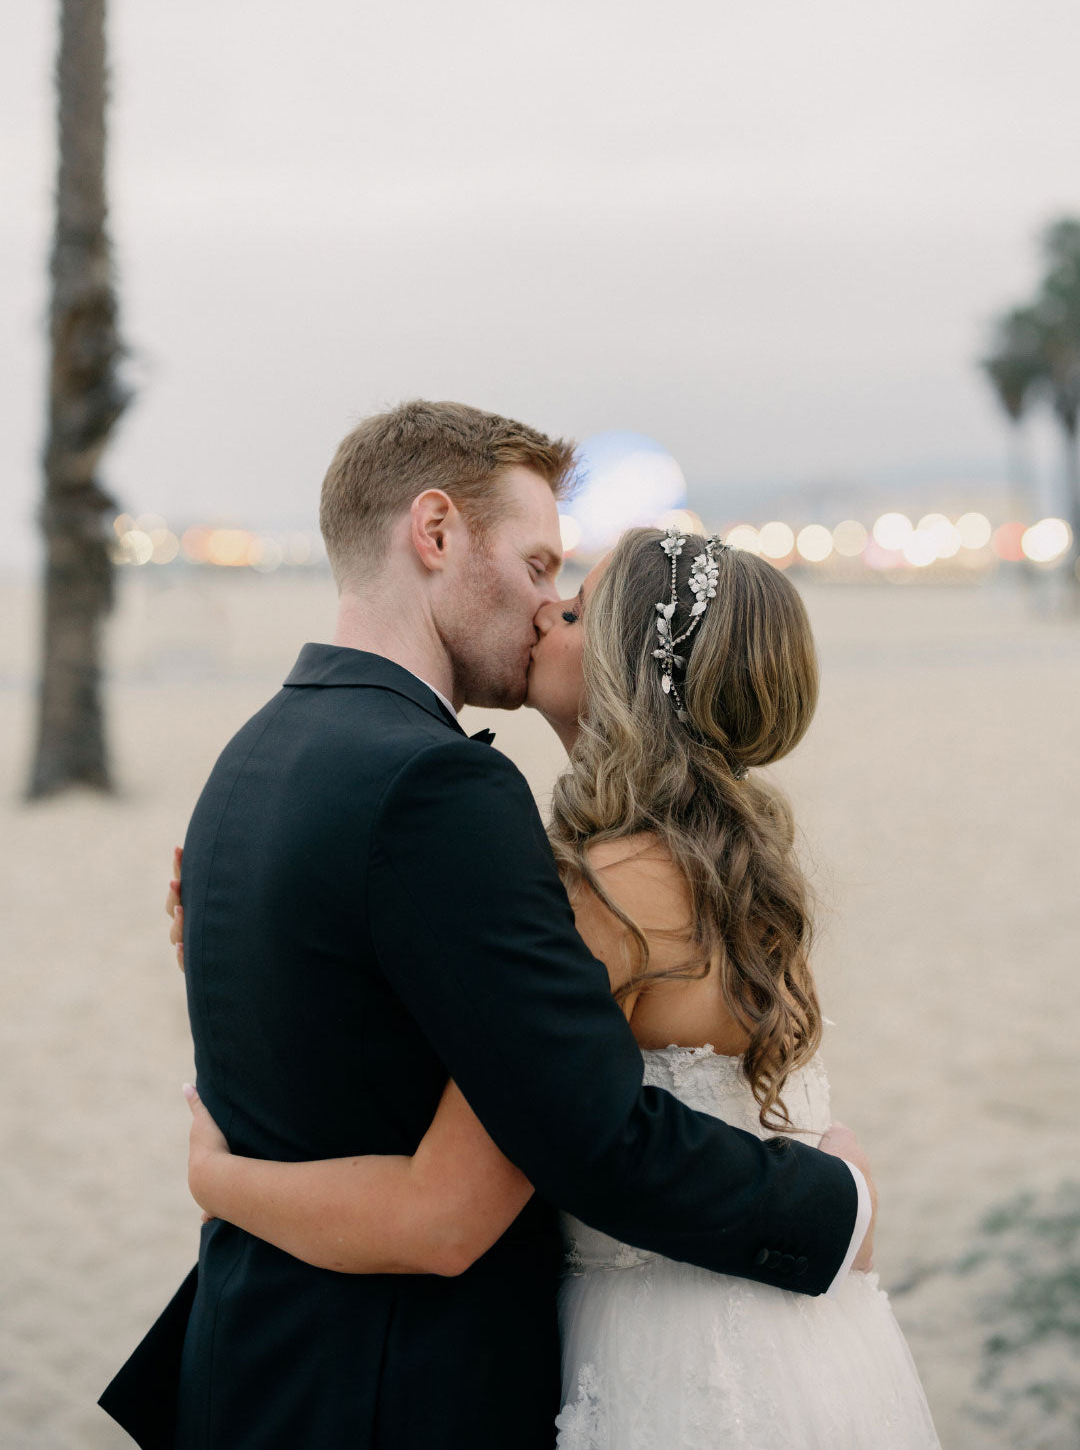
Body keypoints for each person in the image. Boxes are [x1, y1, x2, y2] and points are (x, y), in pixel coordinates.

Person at [100, 401, 874, 1450]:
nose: (548, 604)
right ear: (435, 534)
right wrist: (838, 1206)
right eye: (539, 564)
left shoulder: (252, 756)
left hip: (254, 1363)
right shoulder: (439, 786)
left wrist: (218, 1177)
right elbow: (566, 1148)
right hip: (389, 1389)